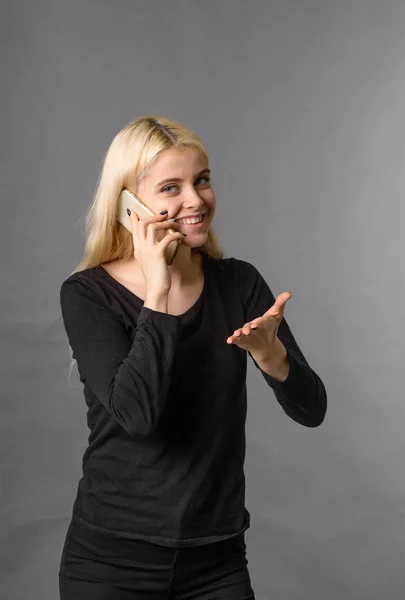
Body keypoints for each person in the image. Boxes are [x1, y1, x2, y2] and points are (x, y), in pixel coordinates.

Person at [58, 115, 327, 599]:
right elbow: (137, 415)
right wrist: (157, 291)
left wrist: (272, 357)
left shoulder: (238, 283)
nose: (196, 200)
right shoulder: (88, 295)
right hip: (111, 563)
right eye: (170, 187)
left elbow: (313, 410)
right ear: (129, 205)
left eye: (202, 180)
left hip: (217, 560)